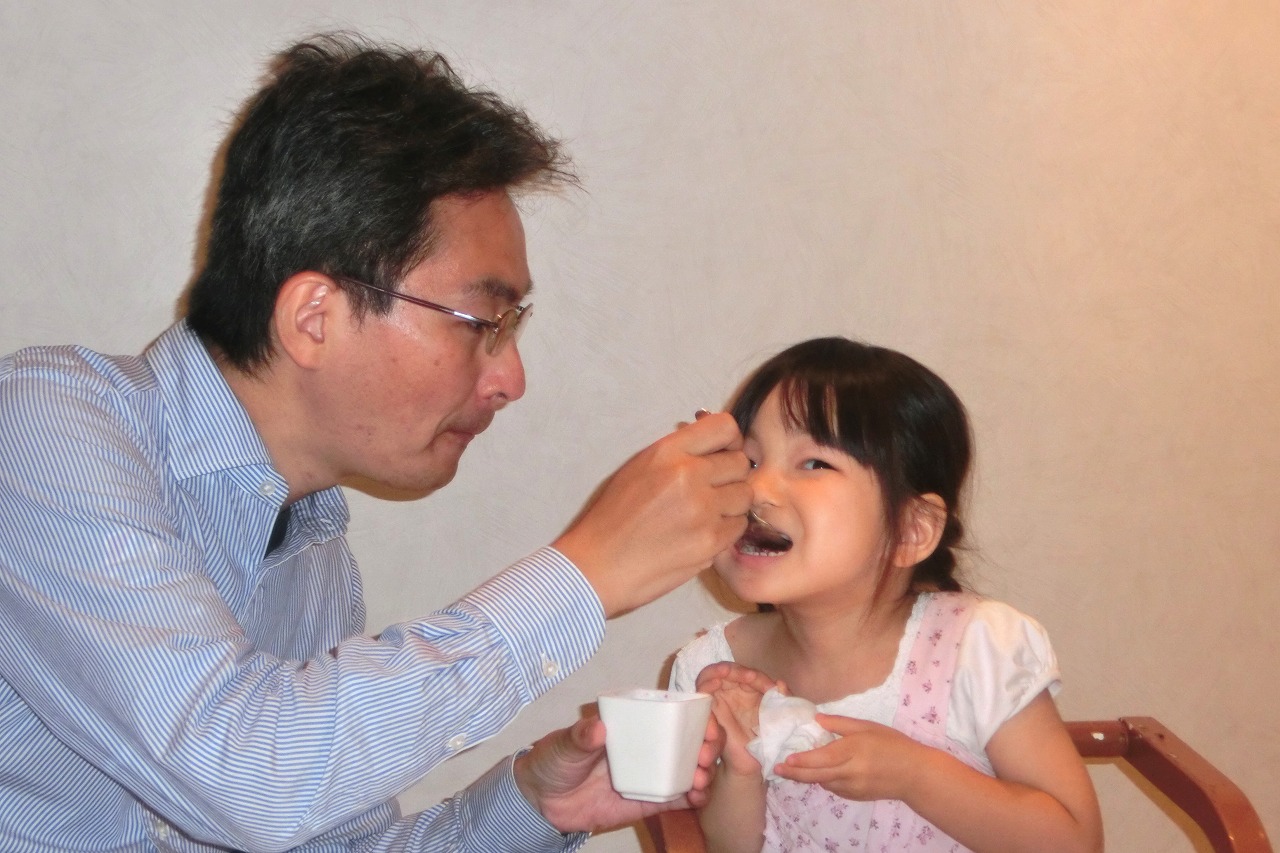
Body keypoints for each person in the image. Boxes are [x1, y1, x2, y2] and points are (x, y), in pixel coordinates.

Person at [0, 34, 749, 852]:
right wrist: (587, 571)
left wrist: (534, 805)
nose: (511, 378)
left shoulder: (314, 552)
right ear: (314, 317)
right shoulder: (42, 426)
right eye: (483, 322)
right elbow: (244, 772)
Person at [669, 337, 1103, 852]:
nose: (756, 490)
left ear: (911, 530)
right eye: (750, 460)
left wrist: (914, 775)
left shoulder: (974, 649)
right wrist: (739, 769)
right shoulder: (711, 668)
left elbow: (1076, 842)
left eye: (814, 463)